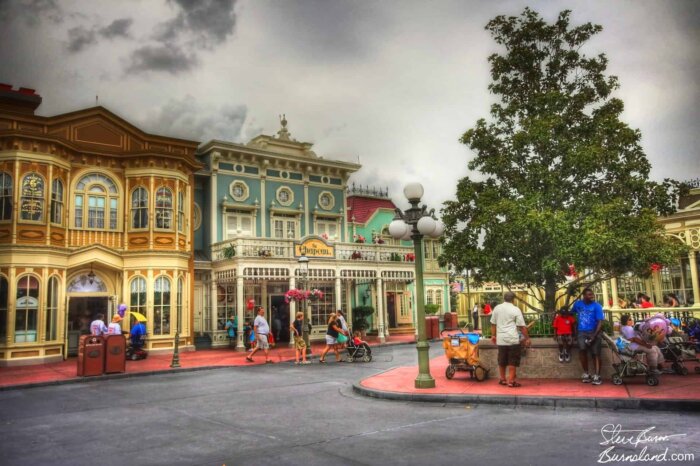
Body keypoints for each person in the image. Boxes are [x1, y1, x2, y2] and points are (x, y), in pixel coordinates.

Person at [490, 291, 530, 388]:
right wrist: (527, 338)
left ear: (504, 298)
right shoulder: (515, 309)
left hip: (501, 339)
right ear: (513, 299)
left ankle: (503, 379)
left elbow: (493, 323)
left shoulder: (497, 308)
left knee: (502, 360)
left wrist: (493, 335)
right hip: (512, 339)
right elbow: (522, 326)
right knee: (513, 360)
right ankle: (511, 381)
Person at [572, 288, 605, 385]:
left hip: (594, 332)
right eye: (589, 295)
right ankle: (586, 373)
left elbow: (600, 322)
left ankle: (597, 375)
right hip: (581, 332)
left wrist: (594, 335)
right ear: (584, 295)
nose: (592, 296)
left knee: (596, 353)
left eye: (592, 294)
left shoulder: (597, 306)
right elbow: (571, 313)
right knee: (582, 351)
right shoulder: (578, 304)